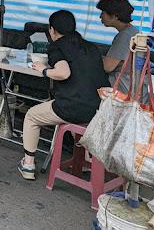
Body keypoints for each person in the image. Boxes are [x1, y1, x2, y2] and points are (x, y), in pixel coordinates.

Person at [19, 10, 109, 180]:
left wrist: (44, 70)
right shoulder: (90, 46)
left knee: (31, 116)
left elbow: (63, 73)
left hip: (72, 108)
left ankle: (28, 164)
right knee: (79, 121)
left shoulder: (57, 46)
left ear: (52, 30)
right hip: (98, 108)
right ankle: (86, 161)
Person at [96, 0, 148, 102]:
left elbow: (108, 66)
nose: (100, 17)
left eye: (103, 13)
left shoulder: (124, 37)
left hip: (125, 89)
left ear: (115, 16)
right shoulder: (133, 32)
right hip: (134, 88)